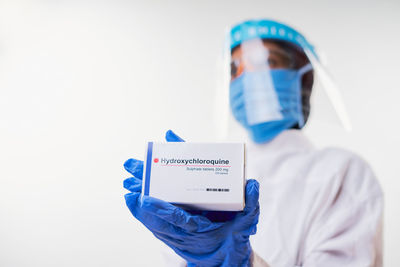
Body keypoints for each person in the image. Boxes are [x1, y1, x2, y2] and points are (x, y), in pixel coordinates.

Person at [123, 19, 383, 266]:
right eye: (235, 69)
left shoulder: (342, 171)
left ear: (302, 78)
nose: (246, 78)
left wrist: (241, 263)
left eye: (265, 61)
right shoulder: (209, 177)